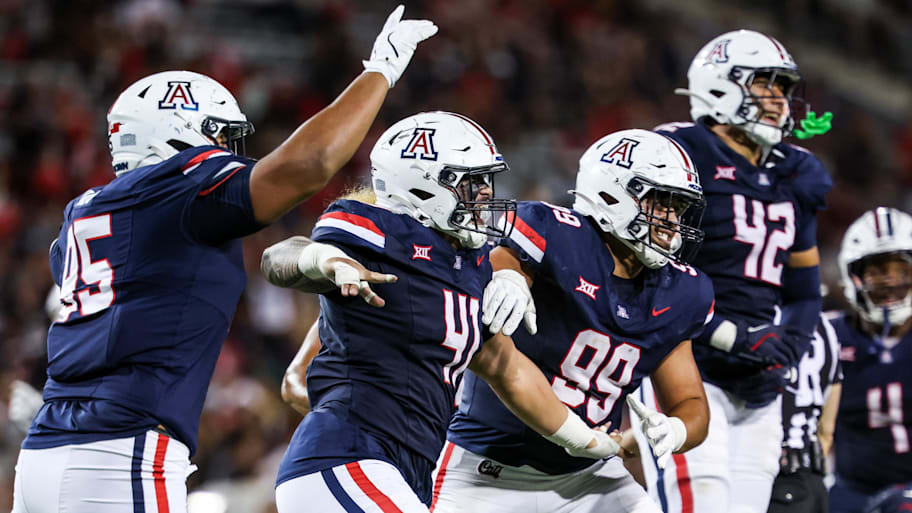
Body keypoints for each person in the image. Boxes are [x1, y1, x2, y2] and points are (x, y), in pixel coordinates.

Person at [11, 6, 438, 513]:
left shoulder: (85, 211)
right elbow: (309, 164)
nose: (228, 150)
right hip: (119, 452)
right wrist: (380, 72)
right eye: (218, 135)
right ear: (176, 136)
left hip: (47, 449)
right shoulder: (175, 186)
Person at [260, 112, 624, 513]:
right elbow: (278, 257)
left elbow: (506, 368)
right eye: (470, 182)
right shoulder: (379, 230)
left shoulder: (471, 264)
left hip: (406, 471)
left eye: (486, 181)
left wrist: (584, 440)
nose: (484, 194)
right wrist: (324, 260)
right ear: (421, 184)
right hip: (345, 456)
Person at [384, 127, 706, 513]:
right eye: (661, 203)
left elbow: (690, 401)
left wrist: (676, 429)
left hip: (590, 474)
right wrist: (509, 277)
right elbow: (503, 257)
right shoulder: (558, 233)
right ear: (613, 194)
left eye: (678, 208)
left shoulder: (682, 290)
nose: (672, 221)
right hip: (486, 469)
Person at [633, 29, 833, 513]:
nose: (779, 99)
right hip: (684, 364)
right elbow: (643, 272)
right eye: (766, 84)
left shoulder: (795, 172)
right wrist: (730, 336)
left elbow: (805, 292)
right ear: (720, 85)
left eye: (783, 87)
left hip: (760, 385)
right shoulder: (679, 154)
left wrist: (788, 346)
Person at [828, 207, 912, 513]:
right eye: (876, 271)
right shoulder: (828, 336)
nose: (889, 282)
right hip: (852, 491)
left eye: (900, 270)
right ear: (853, 277)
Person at [766, 311, 841, 513]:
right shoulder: (826, 327)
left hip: (768, 473)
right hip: (810, 480)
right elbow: (826, 430)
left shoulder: (757, 313)